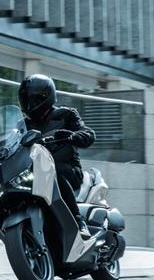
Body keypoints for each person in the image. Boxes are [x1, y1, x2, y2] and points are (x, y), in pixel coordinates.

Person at [18, 74, 96, 238]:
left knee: (55, 172)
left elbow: (88, 134)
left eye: (34, 99)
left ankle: (78, 220)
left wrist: (72, 136)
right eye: (26, 99)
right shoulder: (23, 124)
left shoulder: (66, 114)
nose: (30, 103)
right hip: (35, 172)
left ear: (47, 97)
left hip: (67, 170)